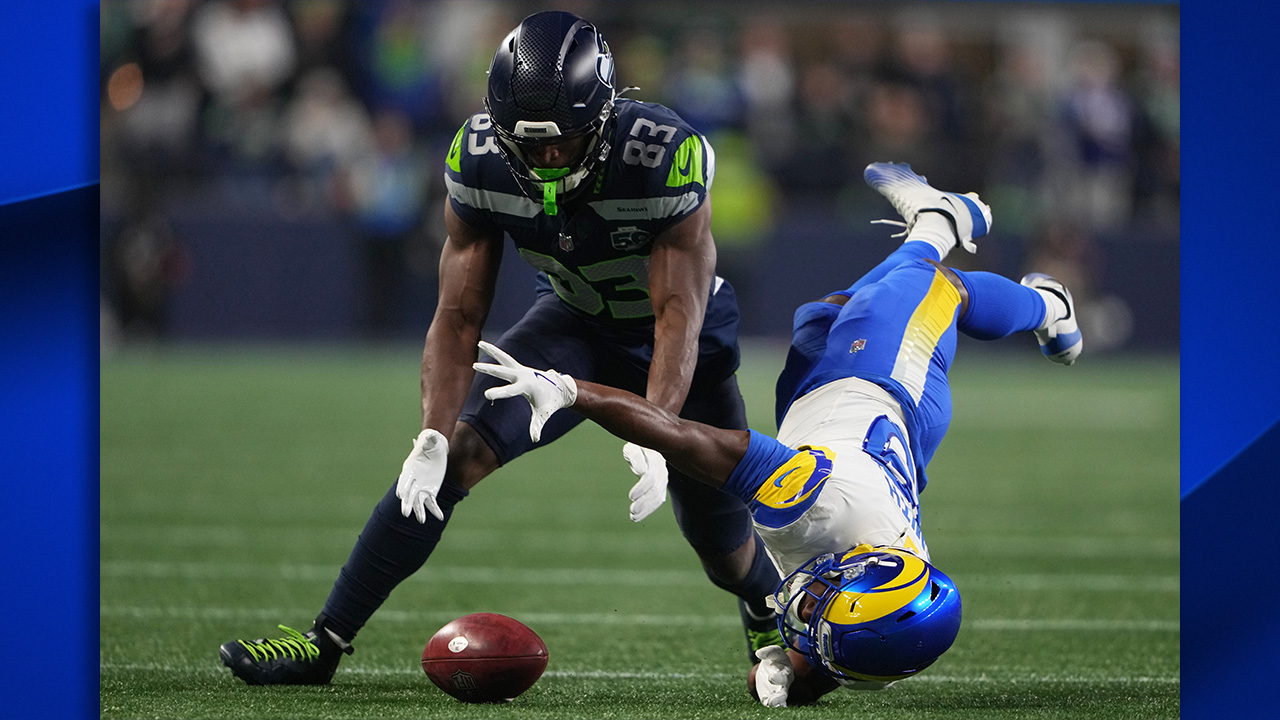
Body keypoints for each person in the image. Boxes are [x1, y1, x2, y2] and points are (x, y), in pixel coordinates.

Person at [219, 11, 785, 684]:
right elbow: (458, 315)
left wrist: (656, 429)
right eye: (530, 143)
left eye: (563, 142)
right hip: (574, 325)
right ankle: (323, 642)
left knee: (721, 544)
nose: (547, 158)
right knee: (451, 458)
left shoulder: (661, 155)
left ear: (601, 123)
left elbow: (677, 313)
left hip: (685, 345)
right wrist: (428, 434)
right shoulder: (481, 155)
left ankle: (766, 609)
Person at [471, 162, 1083, 706]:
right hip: (884, 383)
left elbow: (822, 659)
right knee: (941, 286)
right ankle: (1047, 304)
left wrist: (789, 679)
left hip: (829, 414)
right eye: (821, 606)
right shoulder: (816, 505)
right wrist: (573, 389)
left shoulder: (878, 636)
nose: (806, 609)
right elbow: (687, 439)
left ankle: (938, 220)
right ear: (864, 567)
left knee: (833, 308)